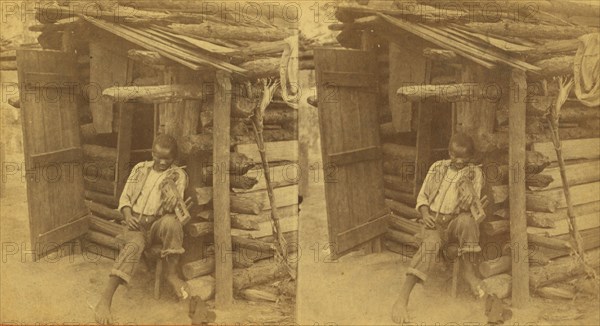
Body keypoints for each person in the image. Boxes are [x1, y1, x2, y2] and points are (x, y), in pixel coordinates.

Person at [95, 134, 189, 324]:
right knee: (135, 243)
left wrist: (174, 202)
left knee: (172, 222)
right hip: (136, 224)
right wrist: (128, 216)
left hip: (157, 225)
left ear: (174, 158)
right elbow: (125, 199)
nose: (162, 162)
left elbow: (176, 208)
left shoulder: (177, 175)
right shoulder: (139, 169)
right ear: (152, 153)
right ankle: (105, 299)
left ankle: (171, 274)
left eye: (167, 159)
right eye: (157, 156)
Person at [392, 132, 484, 325]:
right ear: (448, 152)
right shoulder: (437, 168)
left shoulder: (474, 172)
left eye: (463, 158)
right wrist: (425, 215)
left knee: (468, 221)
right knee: (431, 244)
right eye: (453, 155)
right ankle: (402, 299)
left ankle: (468, 272)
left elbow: (471, 207)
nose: (458, 161)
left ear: (471, 157)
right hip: (434, 222)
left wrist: (471, 200)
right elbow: (423, 197)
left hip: (455, 222)